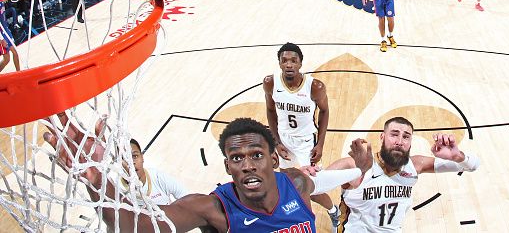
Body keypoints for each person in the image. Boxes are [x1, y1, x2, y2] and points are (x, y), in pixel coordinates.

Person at [44, 117, 373, 232]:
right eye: (236, 158)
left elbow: (329, 179)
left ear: (273, 159)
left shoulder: (295, 182)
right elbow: (139, 227)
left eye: (256, 155)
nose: (247, 165)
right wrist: (99, 181)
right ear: (227, 167)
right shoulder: (213, 209)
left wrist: (361, 166)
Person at [320, 117, 480, 232]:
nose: (399, 141)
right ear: (382, 137)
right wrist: (359, 171)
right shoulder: (353, 164)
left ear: (410, 142)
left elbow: (472, 165)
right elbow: (314, 186)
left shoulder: (415, 165)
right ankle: (335, 213)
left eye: (406, 136)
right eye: (394, 134)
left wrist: (458, 157)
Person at [264, 42, 340, 230]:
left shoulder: (315, 87)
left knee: (312, 188)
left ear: (300, 64)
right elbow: (270, 110)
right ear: (279, 63)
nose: (289, 64)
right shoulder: (270, 83)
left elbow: (324, 112)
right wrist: (276, 142)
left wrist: (320, 144)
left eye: (293, 60)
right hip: (284, 141)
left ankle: (333, 211)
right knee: (285, 185)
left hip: (307, 143)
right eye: (285, 61)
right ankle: (291, 219)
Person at [121, 139, 188, 206]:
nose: (131, 162)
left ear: (142, 157)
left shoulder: (158, 177)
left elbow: (187, 199)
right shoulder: (118, 191)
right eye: (125, 158)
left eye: (135, 156)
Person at [0, 1, 21, 73]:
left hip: (6, 30)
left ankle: (19, 73)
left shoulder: (1, 1)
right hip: (2, 33)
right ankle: (19, 73)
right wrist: (1, 39)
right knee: (7, 59)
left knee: (13, 54)